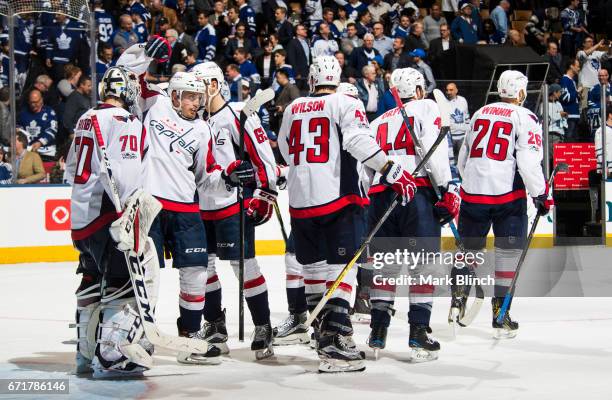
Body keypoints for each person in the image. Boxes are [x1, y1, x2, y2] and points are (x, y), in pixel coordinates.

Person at [277, 56, 417, 373]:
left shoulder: (292, 107)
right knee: (343, 269)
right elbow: (356, 140)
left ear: (312, 80)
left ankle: (321, 332)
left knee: (312, 270)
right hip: (339, 199)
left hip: (301, 202)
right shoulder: (344, 101)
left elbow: (285, 148)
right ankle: (334, 341)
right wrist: (391, 168)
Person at [117, 40, 253, 365]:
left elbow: (207, 177)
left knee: (196, 272)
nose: (197, 102)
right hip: (149, 204)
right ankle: (138, 337)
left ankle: (189, 338)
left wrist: (231, 175)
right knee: (144, 273)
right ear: (176, 95)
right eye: (192, 96)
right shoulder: (155, 104)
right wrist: (147, 55)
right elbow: (127, 75)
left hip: (186, 208)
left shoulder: (203, 130)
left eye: (200, 97)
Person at [65, 65, 156, 378]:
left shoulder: (85, 117)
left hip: (81, 219)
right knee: (121, 282)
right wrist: (129, 218)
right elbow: (128, 177)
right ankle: (112, 354)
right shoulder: (129, 122)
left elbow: (71, 169)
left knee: (91, 278)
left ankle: (84, 352)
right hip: (111, 217)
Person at [367, 67, 457, 362]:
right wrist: (446, 189)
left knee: (386, 266)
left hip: (381, 195)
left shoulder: (378, 120)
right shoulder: (427, 106)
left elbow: (367, 167)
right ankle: (419, 333)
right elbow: (436, 153)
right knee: (423, 266)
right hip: (416, 193)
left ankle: (377, 331)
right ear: (418, 90)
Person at [192, 61, 278, 360]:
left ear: (214, 85)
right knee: (204, 269)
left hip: (232, 204)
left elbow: (262, 156)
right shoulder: (196, 120)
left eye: (200, 85)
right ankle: (215, 327)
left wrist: (265, 194)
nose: (195, 92)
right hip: (201, 206)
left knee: (244, 267)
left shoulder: (237, 115)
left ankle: (264, 326)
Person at [456, 70, 551, 340]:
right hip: (507, 198)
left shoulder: (479, 113)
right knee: (507, 254)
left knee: (468, 251)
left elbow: (464, 157)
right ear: (520, 93)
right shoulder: (525, 116)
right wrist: (541, 194)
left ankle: (458, 300)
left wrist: (473, 184)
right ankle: (501, 314)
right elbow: (528, 162)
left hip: (473, 195)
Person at [17, 89, 58, 162]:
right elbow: (19, 129)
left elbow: (52, 130)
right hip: (28, 151)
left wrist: (40, 142)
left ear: (41, 100)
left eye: (35, 102)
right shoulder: (23, 113)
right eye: (31, 102)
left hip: (46, 152)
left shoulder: (49, 112)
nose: (33, 105)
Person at [577, 37, 610, 109]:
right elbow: (586, 54)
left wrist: (610, 47)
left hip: (597, 86)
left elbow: (608, 55)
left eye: (592, 41)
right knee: (584, 109)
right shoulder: (580, 53)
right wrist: (598, 44)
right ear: (583, 43)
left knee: (599, 107)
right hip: (585, 87)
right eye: (589, 41)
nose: (591, 43)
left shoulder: (597, 53)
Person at [62, 75, 93, 144]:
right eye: (89, 86)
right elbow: (67, 117)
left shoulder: (87, 97)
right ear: (82, 85)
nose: (91, 88)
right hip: (75, 134)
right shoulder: (74, 97)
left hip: (85, 133)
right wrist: (71, 133)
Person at [446, 82, 470, 161]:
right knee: (451, 161)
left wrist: (468, 131)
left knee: (462, 160)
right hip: (450, 136)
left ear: (456, 90)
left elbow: (467, 116)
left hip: (463, 136)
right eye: (447, 90)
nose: (449, 92)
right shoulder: (443, 102)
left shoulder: (463, 100)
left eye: (451, 90)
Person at [543, 83, 568, 158]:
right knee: (551, 157)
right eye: (559, 92)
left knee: (559, 157)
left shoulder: (559, 104)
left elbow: (562, 117)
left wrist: (564, 116)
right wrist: (560, 114)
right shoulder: (545, 104)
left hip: (560, 133)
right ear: (554, 92)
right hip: (551, 134)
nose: (560, 94)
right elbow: (547, 119)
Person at [560, 58, 581, 141]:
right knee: (570, 139)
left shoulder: (572, 81)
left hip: (575, 115)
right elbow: (565, 98)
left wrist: (578, 95)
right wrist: (577, 92)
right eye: (577, 66)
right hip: (570, 116)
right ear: (571, 66)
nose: (579, 68)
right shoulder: (565, 80)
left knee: (575, 140)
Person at [587, 69, 611, 137]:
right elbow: (590, 104)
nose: (601, 78)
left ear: (607, 76)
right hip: (599, 118)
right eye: (600, 76)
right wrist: (603, 104)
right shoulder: (593, 89)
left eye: (603, 76)